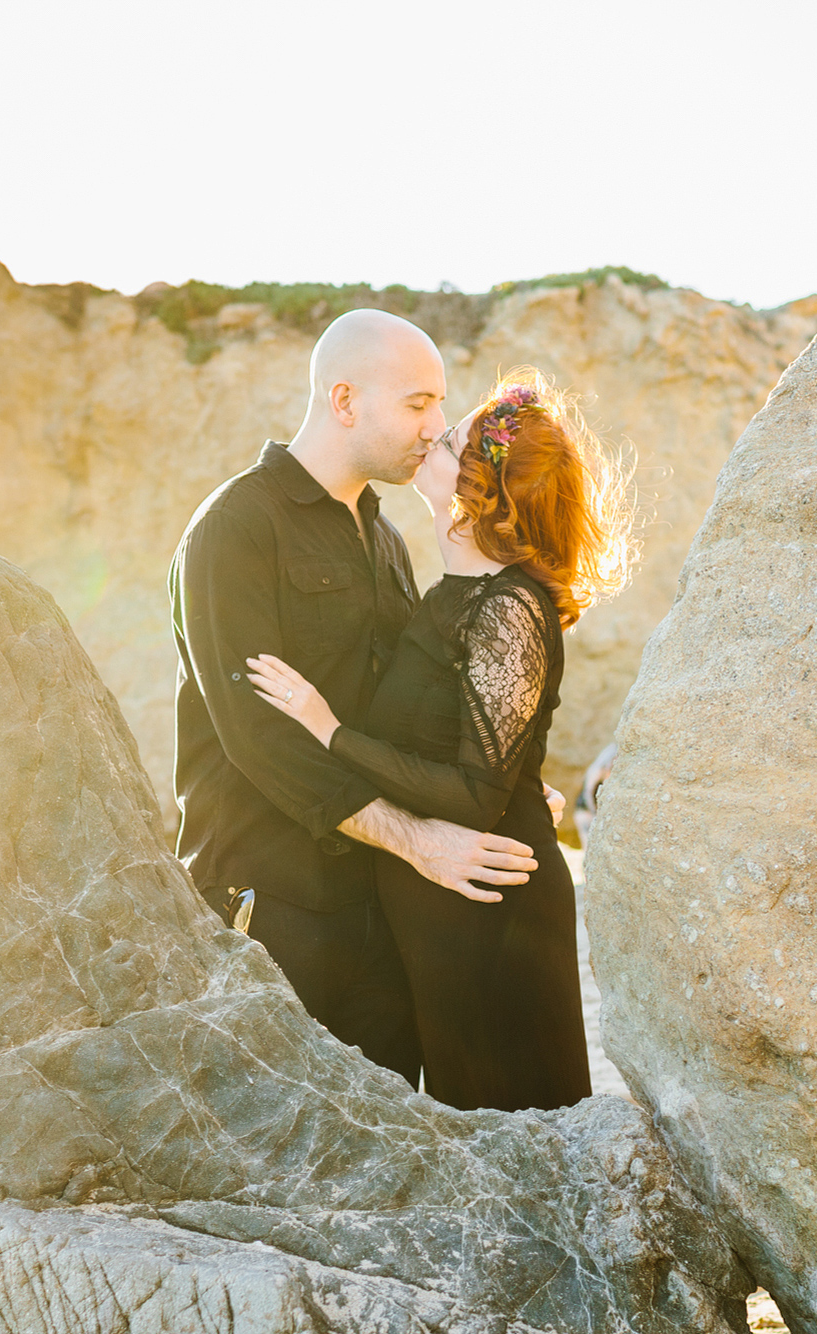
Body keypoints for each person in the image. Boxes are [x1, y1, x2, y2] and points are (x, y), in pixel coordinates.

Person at [169, 309, 545, 1086]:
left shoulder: (386, 539)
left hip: (379, 911)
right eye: (417, 404)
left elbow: (407, 714)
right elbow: (257, 738)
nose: (438, 427)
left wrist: (502, 778)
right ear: (345, 402)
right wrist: (417, 840)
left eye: (440, 404)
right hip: (271, 905)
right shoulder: (235, 528)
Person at [247, 368, 639, 1112]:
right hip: (440, 904)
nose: (433, 432)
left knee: (511, 1120)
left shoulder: (509, 607)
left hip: (491, 905)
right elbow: (463, 748)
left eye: (450, 435)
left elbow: (475, 795)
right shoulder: (451, 593)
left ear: (478, 485)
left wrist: (328, 731)